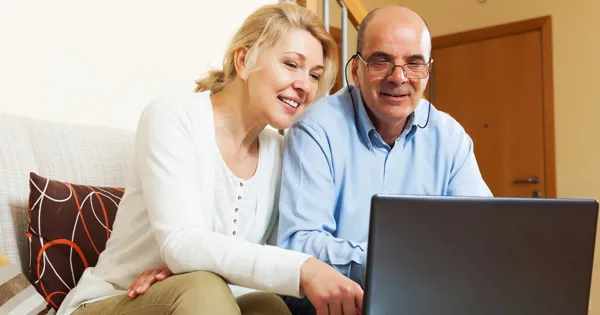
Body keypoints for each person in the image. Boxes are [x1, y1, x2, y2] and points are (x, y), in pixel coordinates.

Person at [56, 3, 365, 315]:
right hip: (117, 300)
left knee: (266, 305)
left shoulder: (280, 151)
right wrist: (303, 269)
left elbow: (257, 266)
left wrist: (189, 267)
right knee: (202, 287)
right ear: (244, 60)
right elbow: (182, 244)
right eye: (291, 64)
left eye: (314, 75)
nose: (305, 85)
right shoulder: (173, 118)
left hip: (200, 300)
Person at [276, 5, 492, 314]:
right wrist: (400, 261)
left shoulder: (449, 137)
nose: (398, 77)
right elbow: (300, 244)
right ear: (356, 71)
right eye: (381, 61)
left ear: (427, 73)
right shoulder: (316, 130)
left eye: (414, 64)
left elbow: (483, 232)